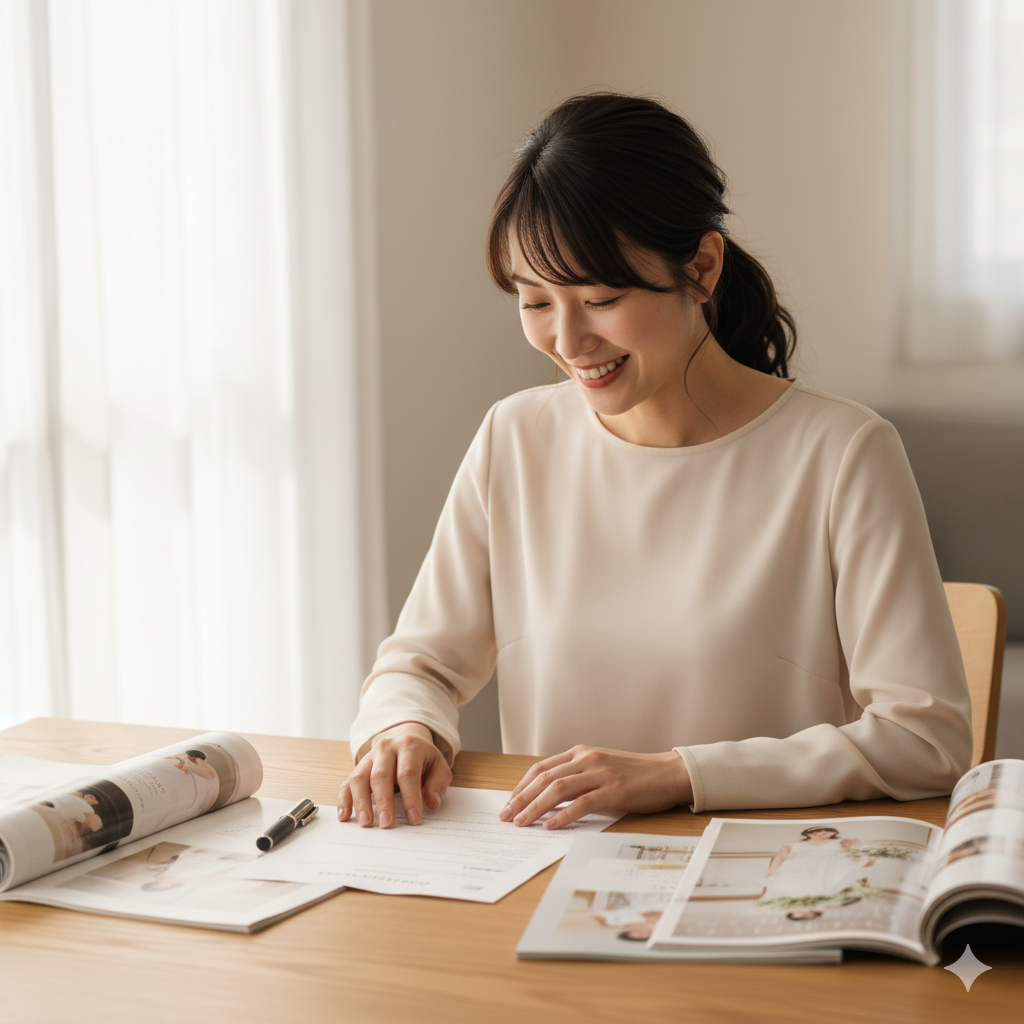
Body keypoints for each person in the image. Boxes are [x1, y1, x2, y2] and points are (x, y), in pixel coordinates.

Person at [338, 92, 972, 831]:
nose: (568, 342)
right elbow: (421, 665)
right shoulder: (515, 438)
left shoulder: (842, 454)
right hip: (546, 875)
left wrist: (679, 774)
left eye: (601, 298)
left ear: (701, 266)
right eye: (535, 302)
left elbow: (927, 741)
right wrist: (402, 730)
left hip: (752, 873)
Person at [757, 826, 872, 910]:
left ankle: (821, 903)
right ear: (808, 834)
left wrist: (858, 863)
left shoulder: (842, 842)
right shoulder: (790, 845)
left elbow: (854, 852)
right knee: (798, 887)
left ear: (833, 833)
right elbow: (780, 857)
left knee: (831, 886)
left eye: (827, 831)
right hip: (799, 868)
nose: (822, 832)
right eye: (816, 831)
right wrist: (773, 870)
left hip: (831, 867)